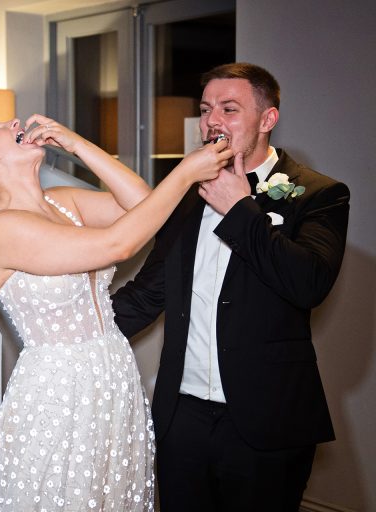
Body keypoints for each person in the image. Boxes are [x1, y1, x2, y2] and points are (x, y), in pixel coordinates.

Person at [0, 113, 232, 511]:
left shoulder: (62, 202)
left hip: (114, 378)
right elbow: (119, 245)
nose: (12, 121)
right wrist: (185, 172)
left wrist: (77, 145)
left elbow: (142, 203)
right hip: (58, 393)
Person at [111, 62, 350, 512]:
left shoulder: (320, 194)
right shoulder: (184, 194)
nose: (212, 121)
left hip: (267, 423)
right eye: (205, 110)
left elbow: (309, 284)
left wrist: (240, 208)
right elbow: (148, 294)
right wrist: (73, 333)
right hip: (182, 419)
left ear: (267, 119)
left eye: (229, 108)